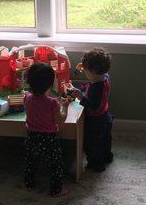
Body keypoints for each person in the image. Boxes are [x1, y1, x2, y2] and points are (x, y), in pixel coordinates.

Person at [24, 62, 69, 197]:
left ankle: (29, 183)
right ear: (50, 85)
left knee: (30, 162)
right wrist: (65, 107)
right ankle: (56, 190)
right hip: (49, 139)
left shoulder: (27, 97)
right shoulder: (52, 102)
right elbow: (60, 120)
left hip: (31, 136)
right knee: (56, 165)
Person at [71, 47, 113, 172]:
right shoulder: (105, 76)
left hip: (96, 120)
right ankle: (107, 156)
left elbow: (93, 106)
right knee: (105, 139)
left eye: (86, 71)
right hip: (105, 115)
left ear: (93, 71)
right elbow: (91, 87)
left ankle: (96, 164)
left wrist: (80, 97)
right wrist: (81, 67)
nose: (85, 72)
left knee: (92, 144)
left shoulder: (97, 87)